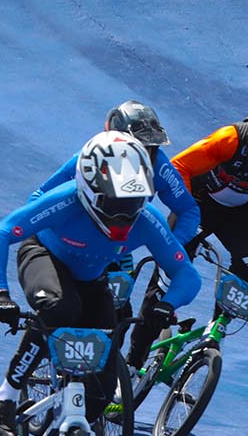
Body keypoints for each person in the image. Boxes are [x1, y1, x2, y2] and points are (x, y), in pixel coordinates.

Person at [0, 131, 202, 436]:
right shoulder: (65, 201)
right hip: (44, 256)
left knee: (101, 392)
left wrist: (167, 305)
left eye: (133, 202)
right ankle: (7, 396)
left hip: (91, 278)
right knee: (60, 308)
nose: (124, 214)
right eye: (115, 202)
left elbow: (186, 275)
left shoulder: (147, 220)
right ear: (89, 190)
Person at [125, 86, 248, 367]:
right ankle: (133, 364)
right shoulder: (231, 139)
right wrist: (186, 212)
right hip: (195, 203)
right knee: (166, 280)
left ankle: (214, 331)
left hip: (239, 211)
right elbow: (177, 168)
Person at [30, 101, 200, 363]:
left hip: (118, 243)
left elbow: (188, 209)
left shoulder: (159, 166)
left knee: (117, 314)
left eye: (152, 148)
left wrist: (171, 244)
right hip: (79, 242)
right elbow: (40, 196)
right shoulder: (91, 158)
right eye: (141, 147)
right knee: (63, 307)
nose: (147, 155)